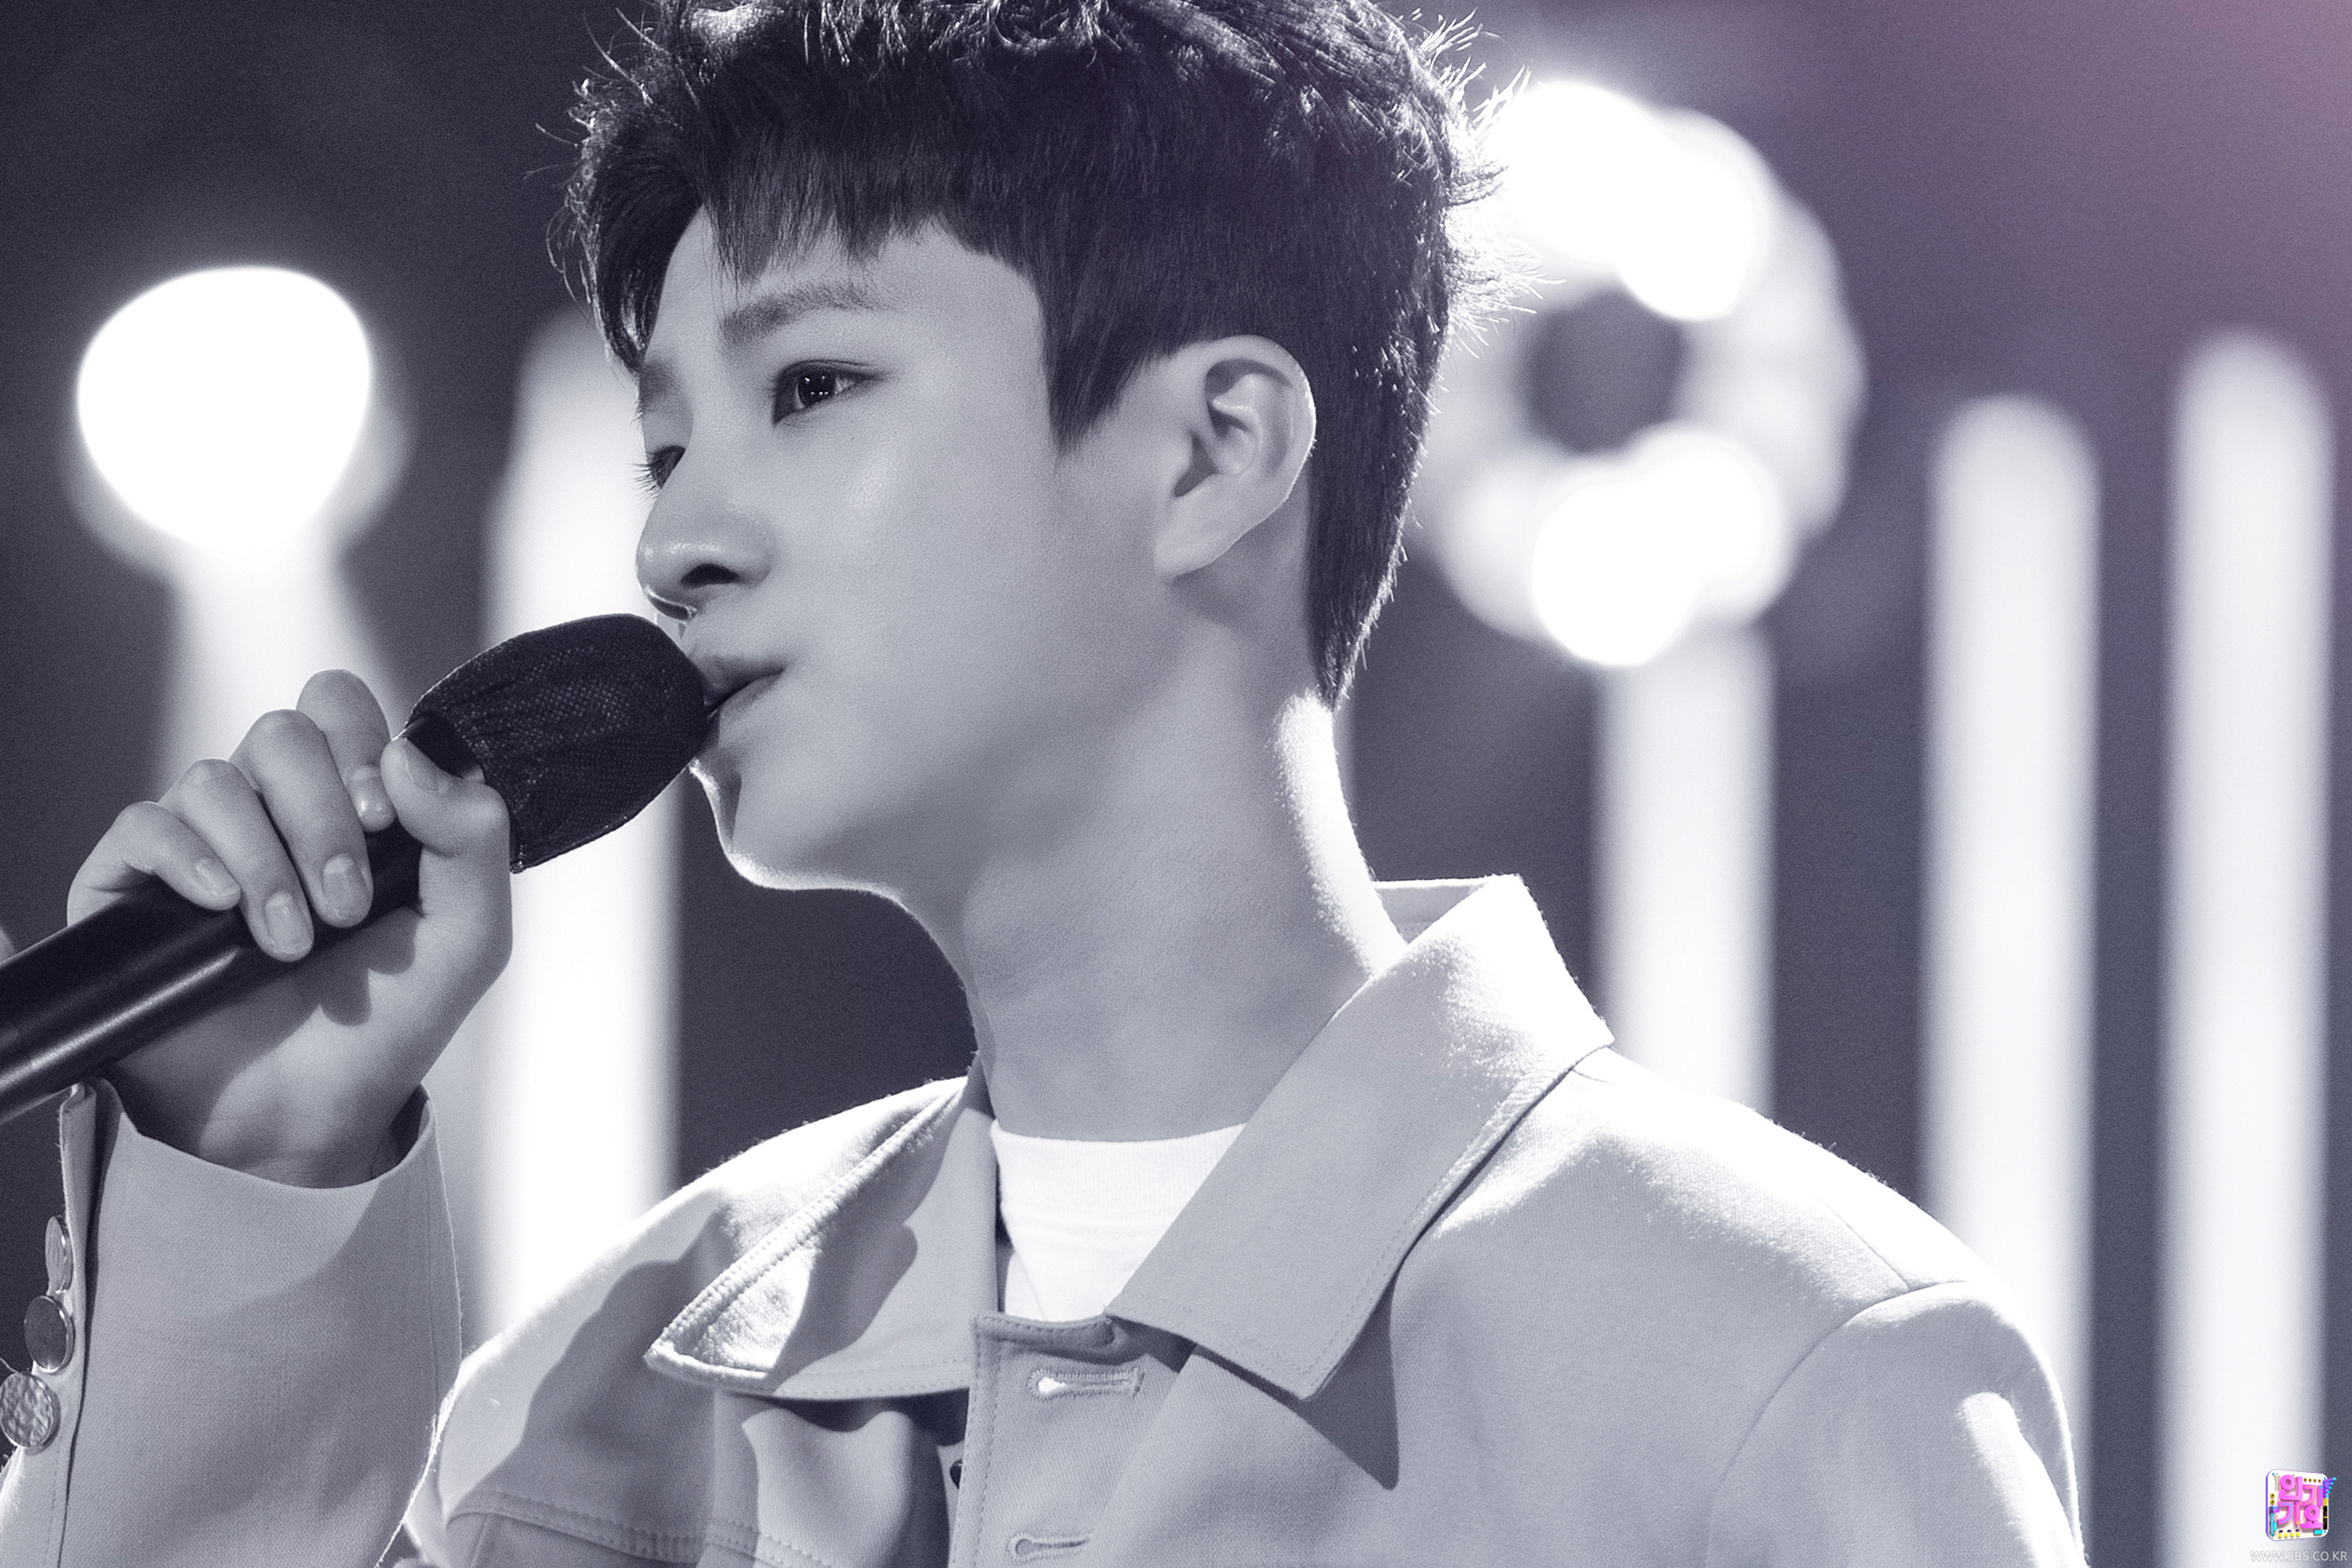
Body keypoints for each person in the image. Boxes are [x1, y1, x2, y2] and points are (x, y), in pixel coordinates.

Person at [0, 0, 2085, 1562]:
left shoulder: (1777, 1365)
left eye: (812, 384)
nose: (672, 542)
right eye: (664, 444)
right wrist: (257, 1184)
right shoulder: (612, 1391)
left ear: (1212, 451)